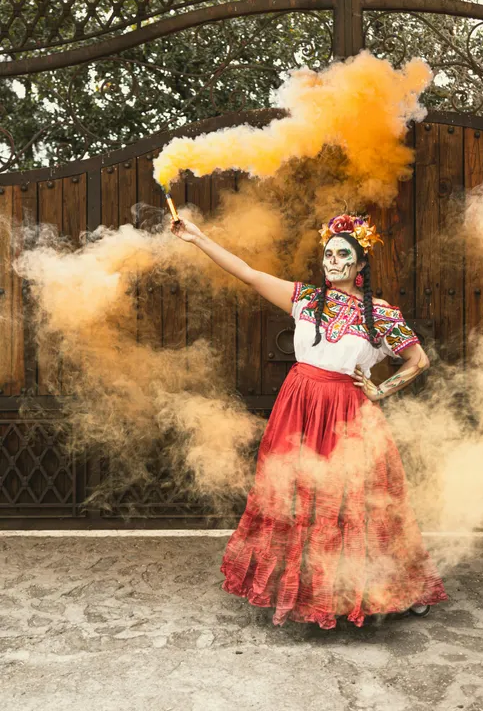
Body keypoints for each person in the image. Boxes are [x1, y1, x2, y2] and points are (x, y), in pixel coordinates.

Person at [170, 212, 448, 629]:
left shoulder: (381, 314)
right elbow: (248, 273)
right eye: (328, 255)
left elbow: (418, 360)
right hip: (298, 406)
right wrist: (198, 238)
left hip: (346, 414)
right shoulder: (306, 298)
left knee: (354, 502)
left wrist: (380, 390)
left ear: (360, 264)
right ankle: (304, 589)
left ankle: (388, 589)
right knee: (295, 495)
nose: (333, 262)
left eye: (342, 255)